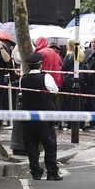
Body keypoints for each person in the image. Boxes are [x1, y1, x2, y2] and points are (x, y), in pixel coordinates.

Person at [19, 53, 62, 181]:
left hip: (28, 118)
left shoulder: (23, 79)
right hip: (44, 117)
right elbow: (55, 91)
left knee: (31, 146)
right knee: (49, 144)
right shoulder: (46, 77)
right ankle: (52, 172)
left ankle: (36, 172)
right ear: (40, 64)